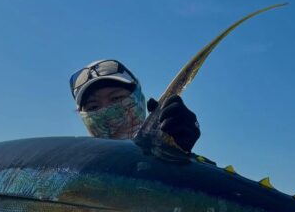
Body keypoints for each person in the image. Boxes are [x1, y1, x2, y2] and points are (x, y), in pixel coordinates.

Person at [69, 59, 201, 152]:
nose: (107, 111)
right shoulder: (74, 167)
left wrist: (179, 154)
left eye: (116, 98)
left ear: (139, 99)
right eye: (93, 107)